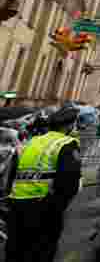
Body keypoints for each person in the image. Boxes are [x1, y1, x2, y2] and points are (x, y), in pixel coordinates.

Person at [5, 104, 83, 262]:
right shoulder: (66, 143)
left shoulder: (32, 142)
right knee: (42, 251)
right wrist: (56, 207)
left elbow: (13, 172)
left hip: (16, 203)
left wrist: (10, 197)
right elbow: (69, 182)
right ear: (70, 125)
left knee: (15, 249)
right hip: (43, 207)